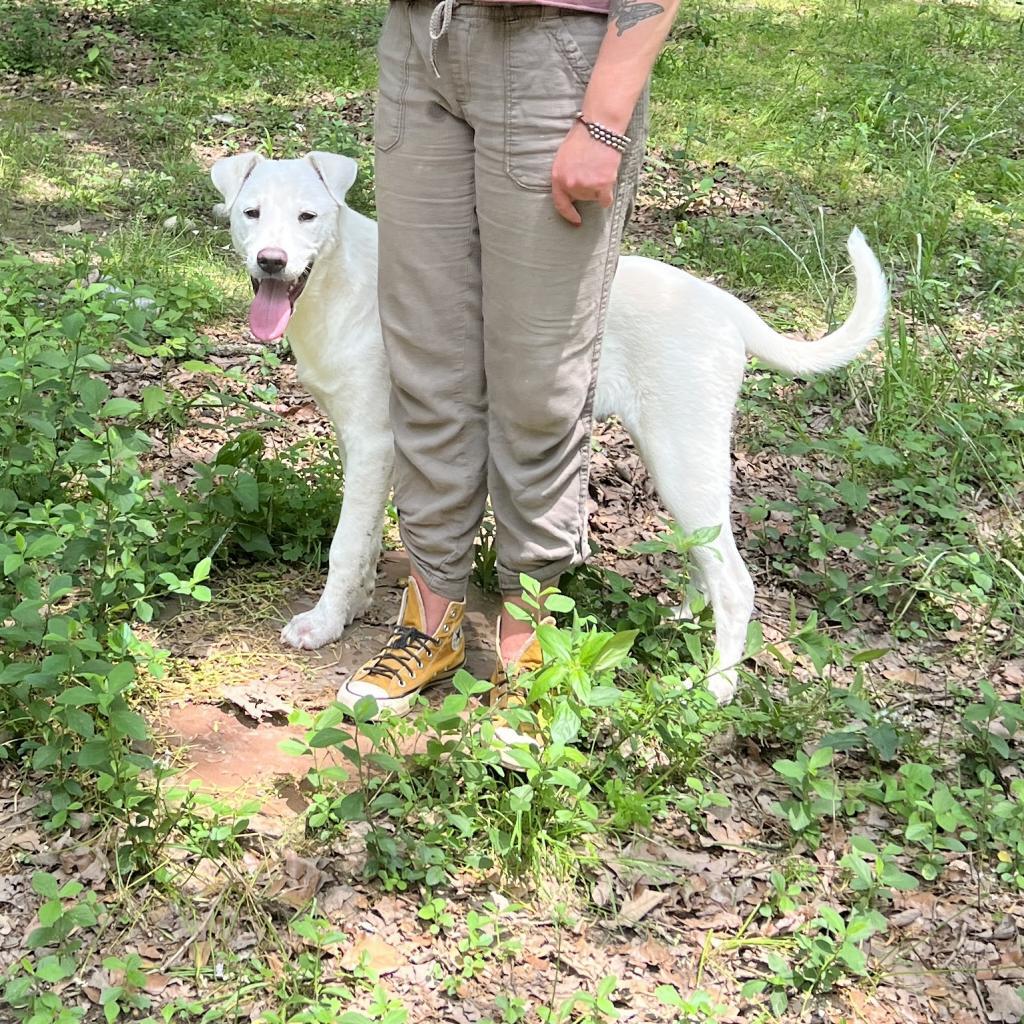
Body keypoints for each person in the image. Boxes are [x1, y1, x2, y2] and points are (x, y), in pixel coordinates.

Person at [336, 0, 680, 753]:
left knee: (539, 370)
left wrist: (603, 120)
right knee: (426, 357)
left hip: (556, 54)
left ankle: (531, 630)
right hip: (421, 42)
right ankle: (432, 619)